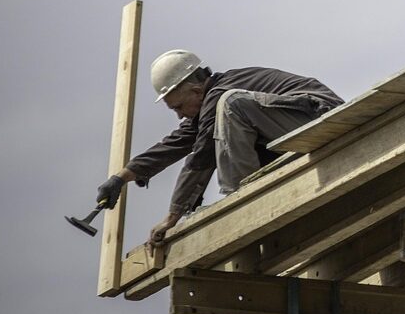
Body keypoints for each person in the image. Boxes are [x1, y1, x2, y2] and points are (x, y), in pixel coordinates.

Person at [95, 49, 343, 245]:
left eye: (179, 107)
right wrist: (122, 176)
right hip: (298, 126)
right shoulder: (210, 101)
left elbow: (202, 155)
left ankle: (238, 197)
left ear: (195, 90)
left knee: (231, 104)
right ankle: (246, 191)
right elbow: (176, 142)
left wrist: (173, 217)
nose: (180, 116)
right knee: (227, 112)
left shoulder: (220, 95)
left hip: (322, 118)